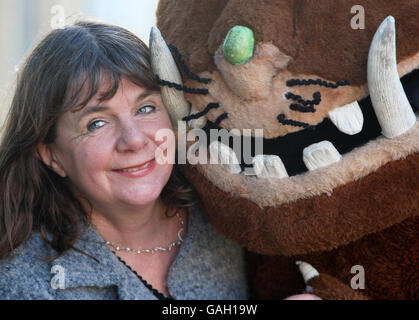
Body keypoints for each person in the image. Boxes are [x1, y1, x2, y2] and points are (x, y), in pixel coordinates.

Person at [0, 21, 248, 300]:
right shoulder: (22, 284)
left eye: (146, 108)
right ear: (51, 155)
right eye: (96, 123)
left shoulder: (231, 218)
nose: (134, 140)